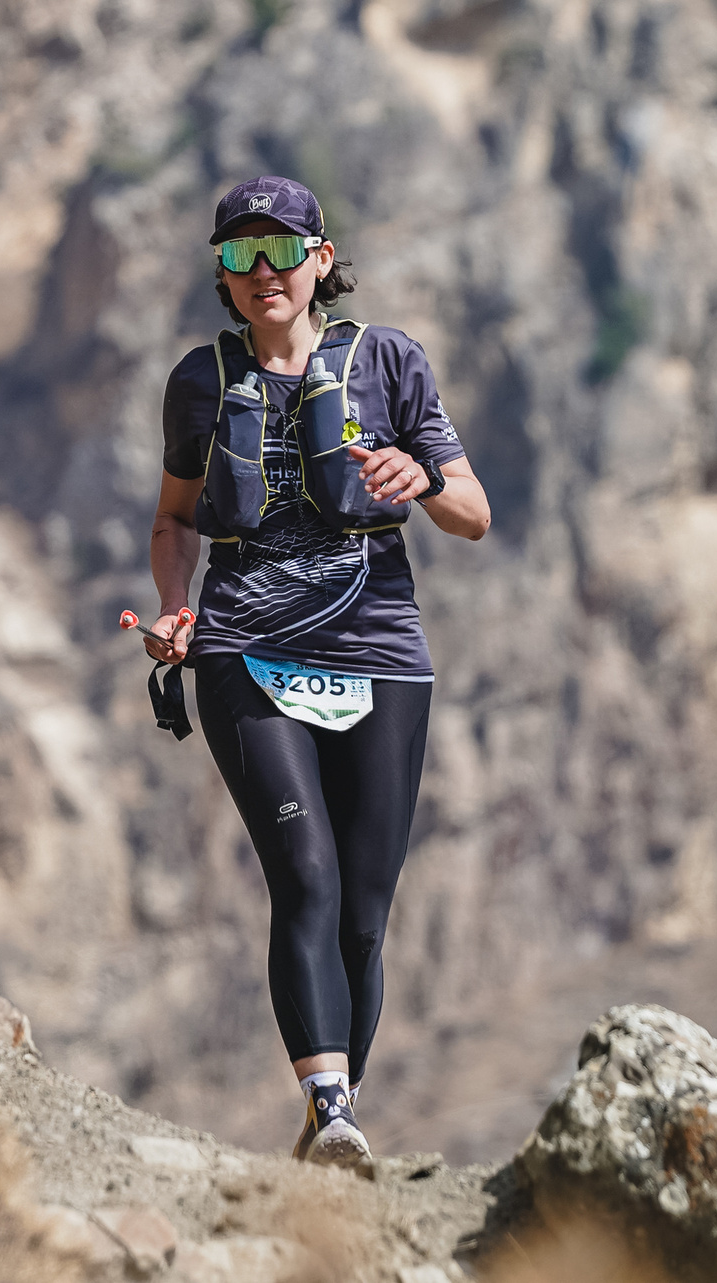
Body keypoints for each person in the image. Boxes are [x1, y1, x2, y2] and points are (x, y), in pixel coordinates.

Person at [143, 175, 490, 1164]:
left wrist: (421, 480)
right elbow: (173, 519)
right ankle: (331, 1105)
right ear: (221, 272)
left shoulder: (388, 362)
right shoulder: (199, 384)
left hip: (379, 648)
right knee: (305, 873)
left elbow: (473, 515)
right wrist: (177, 610)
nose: (262, 273)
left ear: (319, 262)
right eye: (239, 255)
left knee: (366, 910)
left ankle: (325, 1123)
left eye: (281, 250)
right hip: (244, 646)